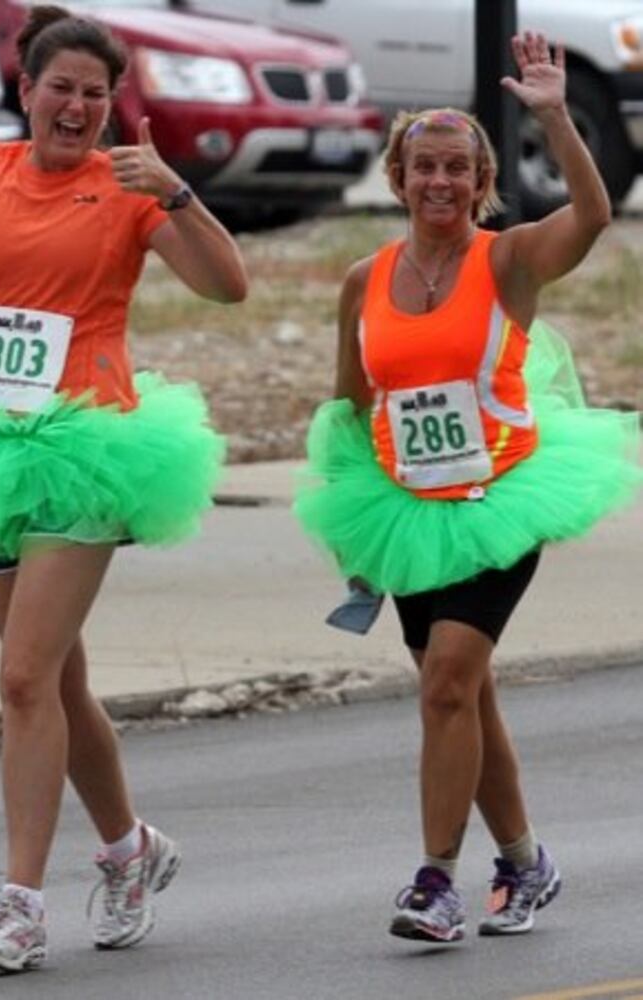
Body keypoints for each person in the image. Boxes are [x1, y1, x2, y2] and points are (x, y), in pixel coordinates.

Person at [0, 4, 247, 972]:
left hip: (89, 448)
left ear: (112, 106)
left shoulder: (129, 187)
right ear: (24, 90)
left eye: (93, 94)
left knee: (21, 678)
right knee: (57, 679)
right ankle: (130, 850)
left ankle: (19, 906)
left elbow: (225, 286)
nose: (75, 107)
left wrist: (179, 193)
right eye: (58, 88)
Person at [294, 31, 640, 943]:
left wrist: (555, 118)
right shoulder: (364, 280)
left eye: (456, 168)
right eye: (422, 167)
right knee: (464, 697)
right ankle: (526, 863)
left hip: (504, 496)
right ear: (397, 178)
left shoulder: (508, 259)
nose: (439, 182)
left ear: (480, 181)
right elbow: (347, 402)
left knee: (447, 680)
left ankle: (434, 883)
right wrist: (351, 526)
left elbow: (594, 217)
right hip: (406, 509)